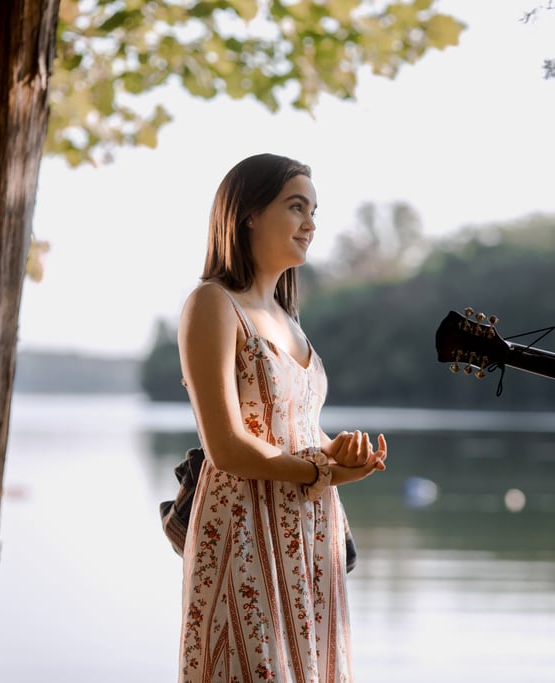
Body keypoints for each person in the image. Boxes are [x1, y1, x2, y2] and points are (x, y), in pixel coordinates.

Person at [176, 153, 388, 682]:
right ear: (249, 213)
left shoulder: (290, 321)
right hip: (244, 527)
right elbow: (226, 445)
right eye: (297, 207)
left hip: (310, 531)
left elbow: (297, 429)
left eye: (314, 210)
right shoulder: (213, 304)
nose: (311, 224)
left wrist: (339, 454)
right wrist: (322, 471)